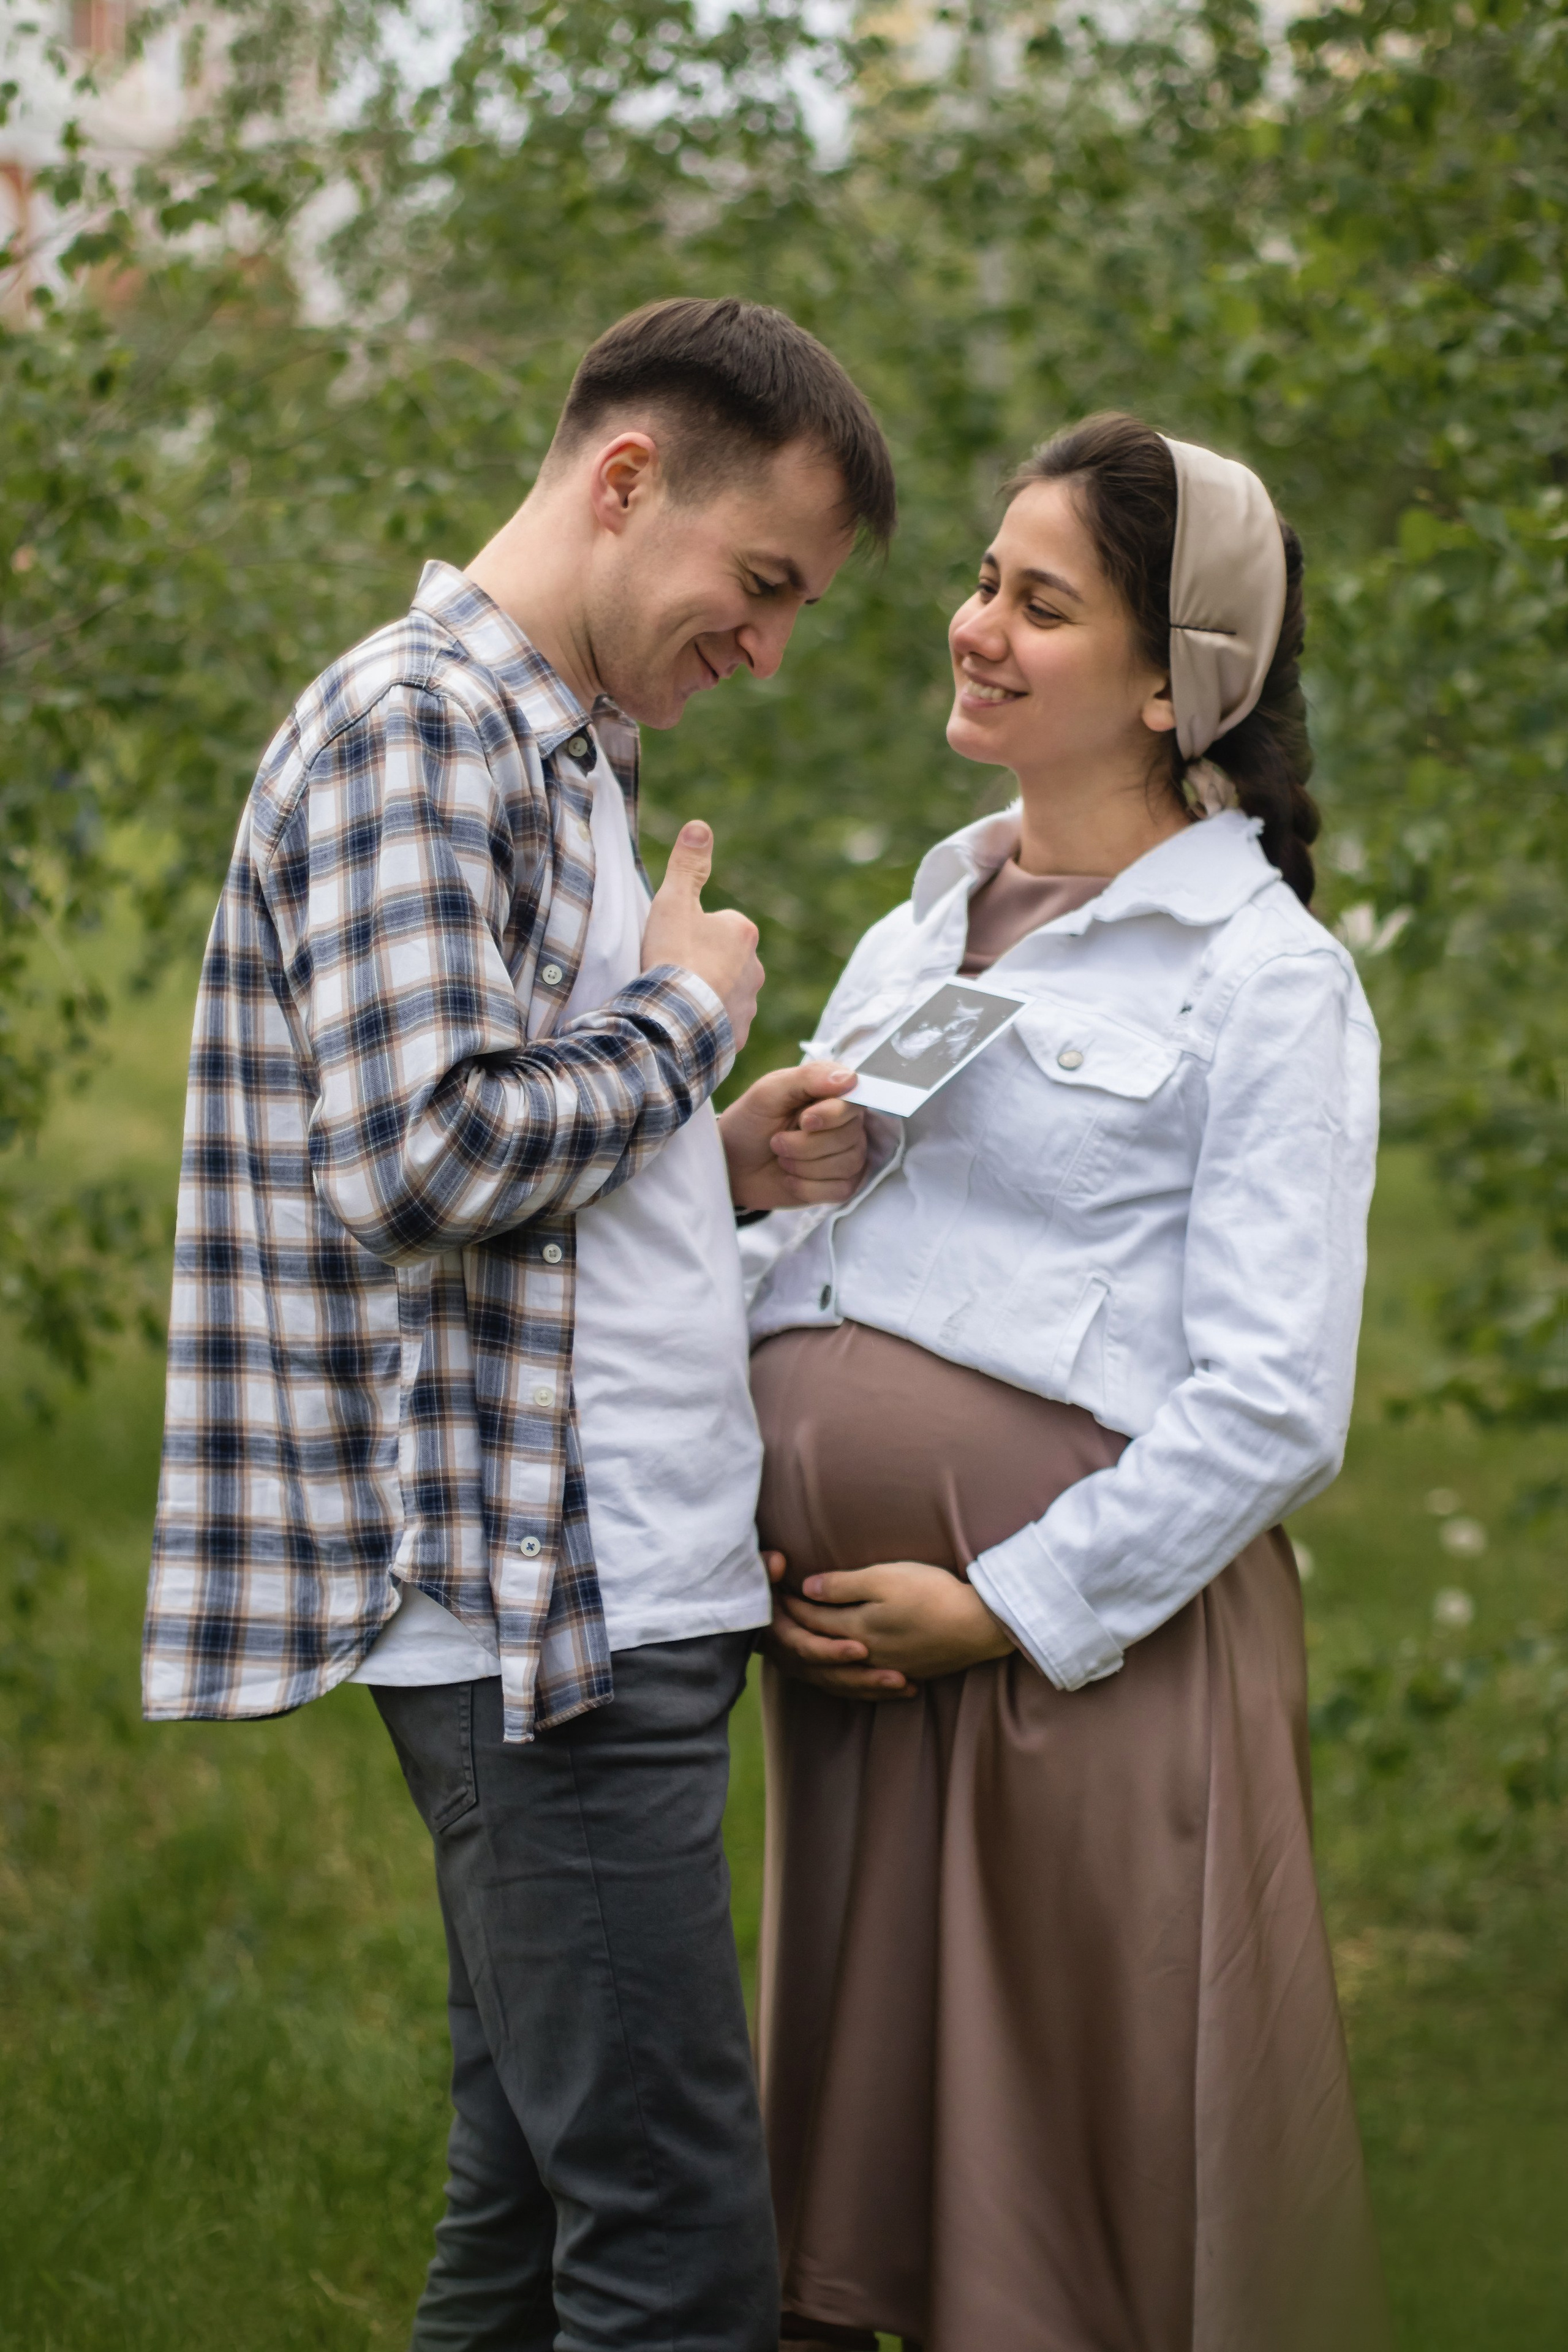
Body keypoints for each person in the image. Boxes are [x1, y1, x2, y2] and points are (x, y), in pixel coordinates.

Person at [141, 295, 894, 2352]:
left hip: (603, 1595)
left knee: (540, 2203)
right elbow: (417, 1158)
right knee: (673, 2245)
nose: (769, 649)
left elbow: (506, 1173)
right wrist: (682, 1020)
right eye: (762, 583)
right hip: (540, 1625)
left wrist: (705, 1162)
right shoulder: (421, 728)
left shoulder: (557, 745)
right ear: (627, 480)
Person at [745, 413, 1389, 2352]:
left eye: (1041, 604)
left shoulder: (1266, 980)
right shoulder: (923, 924)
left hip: (1071, 1678)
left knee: (1062, 2233)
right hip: (861, 1677)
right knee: (856, 2207)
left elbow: (1273, 1400)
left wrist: (1005, 1607)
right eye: (981, 582)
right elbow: (813, 1260)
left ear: (1175, 681)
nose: (975, 627)